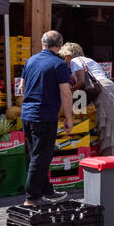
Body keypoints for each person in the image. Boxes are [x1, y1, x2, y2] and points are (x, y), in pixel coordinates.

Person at [59, 43, 114, 155]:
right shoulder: (86, 61)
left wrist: (69, 90)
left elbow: (82, 82)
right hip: (107, 89)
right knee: (112, 125)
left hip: (104, 91)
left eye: (64, 58)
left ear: (69, 56)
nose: (65, 62)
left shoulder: (75, 61)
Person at [21, 30, 74, 207]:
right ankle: (32, 197)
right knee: (41, 156)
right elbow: (66, 93)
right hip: (44, 116)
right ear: (59, 46)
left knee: (37, 154)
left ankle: (46, 190)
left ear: (43, 44)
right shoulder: (59, 65)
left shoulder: (31, 60)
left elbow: (22, 87)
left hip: (27, 114)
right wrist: (69, 118)